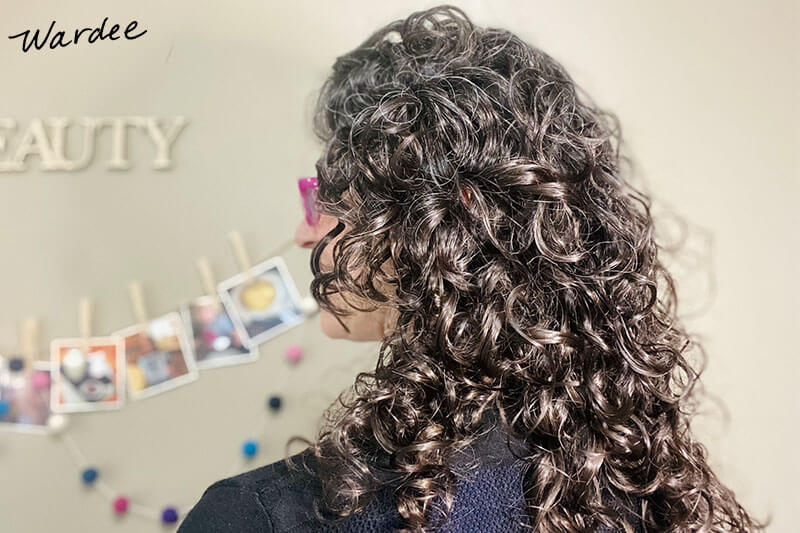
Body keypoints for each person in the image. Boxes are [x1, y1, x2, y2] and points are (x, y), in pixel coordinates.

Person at [178, 5, 768, 532]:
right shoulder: (639, 489)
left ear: (441, 220)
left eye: (325, 197)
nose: (305, 231)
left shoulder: (260, 517)